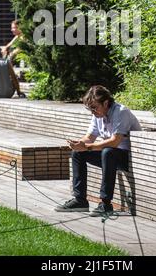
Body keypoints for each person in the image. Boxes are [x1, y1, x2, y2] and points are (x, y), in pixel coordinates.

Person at [55, 85, 141, 216]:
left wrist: (88, 146)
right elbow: (90, 137)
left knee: (108, 152)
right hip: (109, 155)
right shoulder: (98, 115)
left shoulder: (121, 112)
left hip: (128, 158)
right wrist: (79, 144)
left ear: (106, 103)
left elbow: (115, 141)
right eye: (90, 109)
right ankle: (80, 200)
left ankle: (106, 204)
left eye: (94, 108)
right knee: (78, 153)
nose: (92, 112)